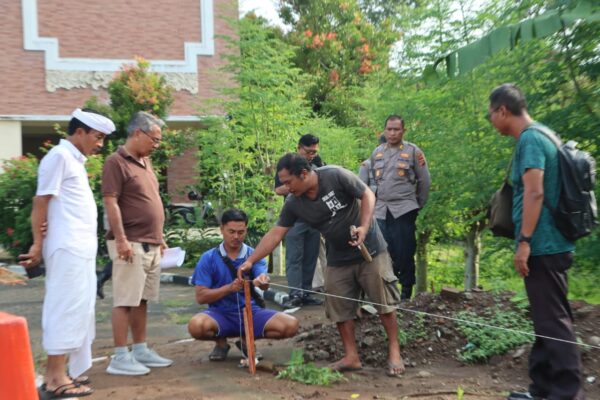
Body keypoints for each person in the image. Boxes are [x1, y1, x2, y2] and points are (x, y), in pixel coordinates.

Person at [239, 153, 404, 377]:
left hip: (370, 250)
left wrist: (364, 228)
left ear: (304, 174)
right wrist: (250, 260)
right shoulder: (294, 203)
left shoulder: (335, 175)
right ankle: (351, 356)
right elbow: (277, 233)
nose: (286, 188)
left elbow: (367, 194)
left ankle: (394, 352)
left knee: (384, 302)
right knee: (338, 307)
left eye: (288, 182)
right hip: (338, 257)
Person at [488, 84, 584, 400]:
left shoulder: (530, 139)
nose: (491, 120)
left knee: (554, 321)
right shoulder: (543, 133)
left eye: (491, 114)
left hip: (544, 245)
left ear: (503, 110)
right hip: (552, 243)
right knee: (546, 318)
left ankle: (567, 393)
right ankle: (542, 389)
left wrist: (525, 242)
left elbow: (534, 192)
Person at [19, 108, 115, 398]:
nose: (100, 144)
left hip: (81, 251)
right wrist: (37, 244)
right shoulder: (58, 157)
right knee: (65, 309)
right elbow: (41, 201)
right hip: (67, 249)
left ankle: (61, 374)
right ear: (79, 132)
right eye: (97, 137)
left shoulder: (74, 161)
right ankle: (54, 379)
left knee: (79, 311)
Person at [102, 111, 172, 376]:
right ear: (137, 133)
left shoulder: (145, 163)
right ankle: (120, 356)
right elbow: (111, 201)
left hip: (150, 242)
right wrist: (120, 239)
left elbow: (149, 199)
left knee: (142, 299)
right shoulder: (115, 162)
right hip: (129, 242)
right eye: (154, 140)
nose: (156, 145)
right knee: (125, 300)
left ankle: (140, 348)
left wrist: (160, 236)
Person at [187, 208, 299, 360]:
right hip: (220, 314)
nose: (236, 237)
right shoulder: (208, 258)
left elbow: (261, 276)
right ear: (221, 230)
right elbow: (201, 297)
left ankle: (246, 340)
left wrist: (263, 282)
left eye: (241, 232)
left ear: (246, 230)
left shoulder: (255, 255)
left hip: (251, 312)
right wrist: (229, 288)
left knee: (290, 325)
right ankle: (221, 343)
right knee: (196, 326)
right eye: (231, 231)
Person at [368, 115, 431, 299]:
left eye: (396, 129)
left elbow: (424, 180)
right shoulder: (377, 152)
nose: (392, 133)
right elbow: (372, 182)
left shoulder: (413, 151)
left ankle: (405, 291)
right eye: (389, 129)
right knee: (385, 252)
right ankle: (389, 291)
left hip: (404, 209)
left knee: (405, 251)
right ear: (384, 130)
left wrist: (417, 204)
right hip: (381, 210)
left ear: (403, 131)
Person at [274, 134, 324, 308]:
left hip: (314, 218)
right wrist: (295, 186)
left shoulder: (318, 162)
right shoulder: (287, 164)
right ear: (299, 148)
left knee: (311, 257)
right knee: (294, 258)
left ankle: (307, 293)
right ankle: (295, 293)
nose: (311, 155)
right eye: (308, 151)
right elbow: (278, 189)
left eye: (314, 152)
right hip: (294, 218)